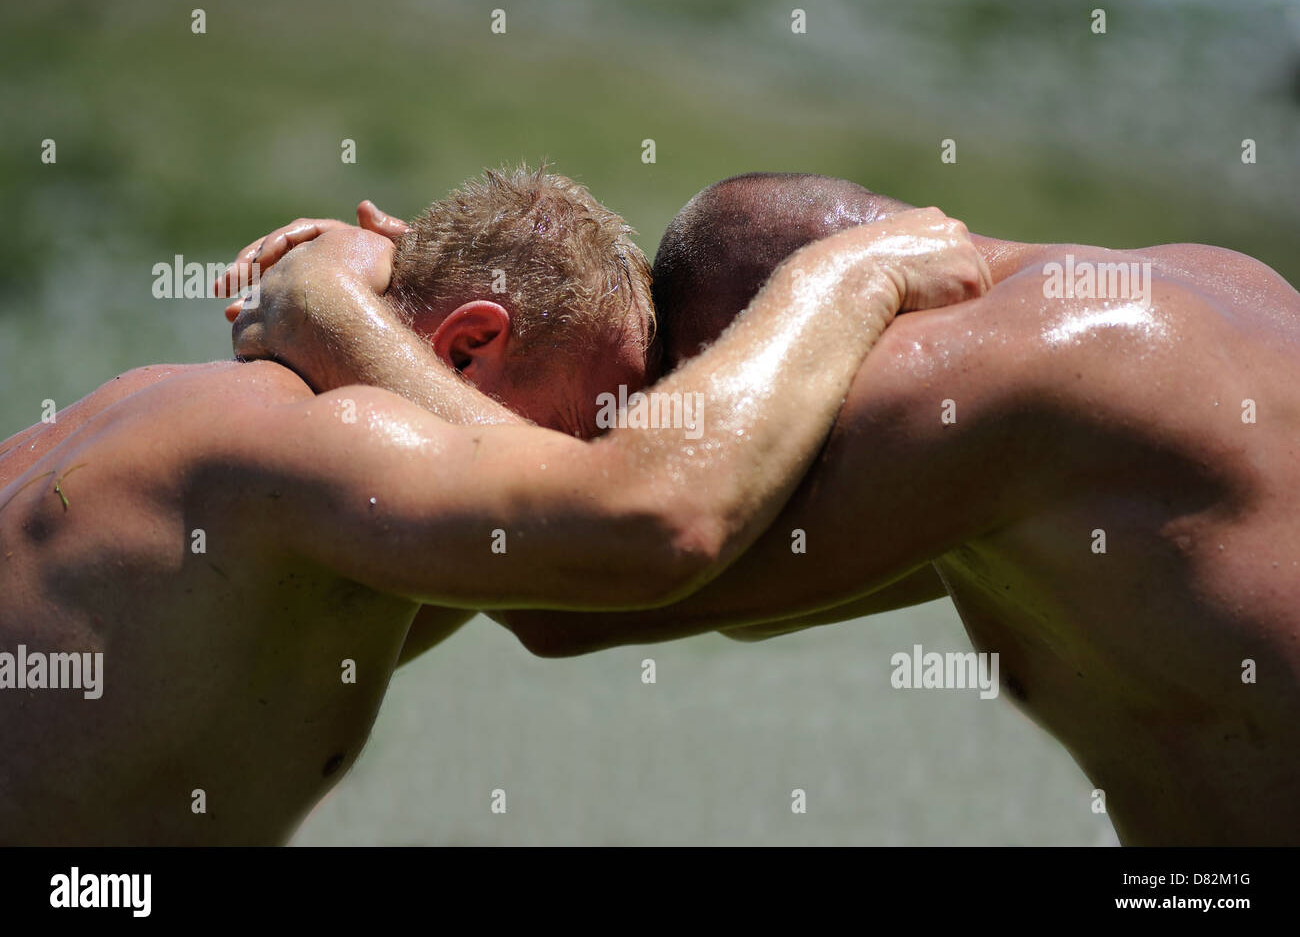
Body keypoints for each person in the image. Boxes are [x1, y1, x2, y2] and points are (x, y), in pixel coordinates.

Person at [0, 166, 988, 844]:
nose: (595, 455)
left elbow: (606, 590)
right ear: (469, 346)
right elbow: (649, 524)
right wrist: (845, 276)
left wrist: (342, 303)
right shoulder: (312, 439)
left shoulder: (218, 430)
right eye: (595, 421)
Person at [487, 172, 1300, 845]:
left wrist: (362, 324)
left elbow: (579, 593)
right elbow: (749, 599)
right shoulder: (1222, 282)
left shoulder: (990, 376)